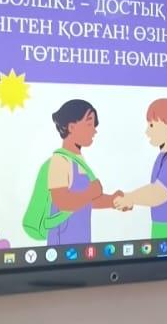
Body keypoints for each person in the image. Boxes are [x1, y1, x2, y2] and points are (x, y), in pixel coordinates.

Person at [23, 100, 121, 247]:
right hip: (63, 242)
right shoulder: (60, 161)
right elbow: (62, 202)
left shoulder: (77, 159)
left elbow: (85, 202)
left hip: (81, 239)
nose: (94, 131)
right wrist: (91, 193)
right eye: (89, 124)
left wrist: (112, 201)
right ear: (71, 127)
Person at [113, 98, 167, 239]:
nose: (147, 131)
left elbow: (158, 193)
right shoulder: (163, 156)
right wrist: (131, 200)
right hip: (161, 226)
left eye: (152, 125)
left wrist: (131, 198)